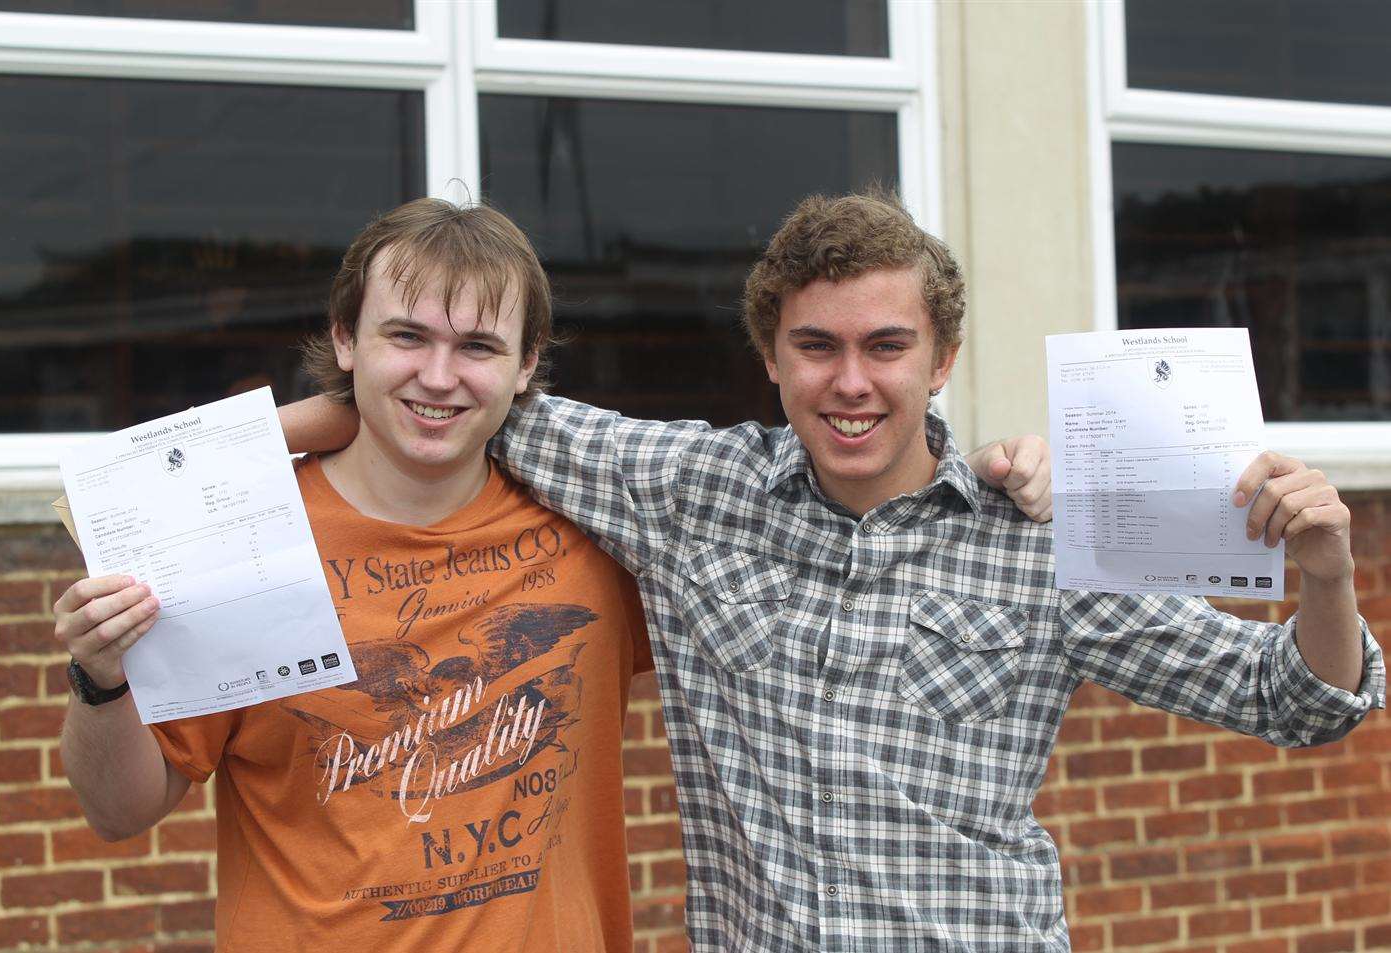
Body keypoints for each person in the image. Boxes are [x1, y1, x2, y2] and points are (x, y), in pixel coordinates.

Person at [283, 190, 1386, 952]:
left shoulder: (1042, 534)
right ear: (770, 356)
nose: (849, 381)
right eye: (816, 346)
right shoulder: (686, 490)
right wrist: (281, 435)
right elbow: (449, 400)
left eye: (885, 346)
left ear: (941, 359)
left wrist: (1324, 572)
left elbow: (1292, 700)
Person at [54, 199, 657, 951]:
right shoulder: (242, 544)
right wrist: (100, 676)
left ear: (527, 362)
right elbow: (119, 810)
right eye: (406, 336)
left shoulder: (600, 536)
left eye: (477, 346)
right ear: (345, 337)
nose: (438, 376)